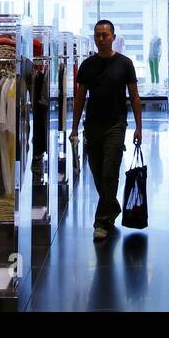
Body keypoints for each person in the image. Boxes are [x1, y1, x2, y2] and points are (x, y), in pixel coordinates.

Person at [70, 20, 143, 241]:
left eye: (105, 35)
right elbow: (80, 97)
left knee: (110, 172)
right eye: (98, 35)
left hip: (116, 125)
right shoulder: (87, 65)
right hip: (92, 125)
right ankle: (112, 206)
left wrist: (139, 127)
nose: (101, 38)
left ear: (113, 37)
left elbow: (135, 96)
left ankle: (101, 222)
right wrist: (74, 126)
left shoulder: (125, 64)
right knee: (97, 172)